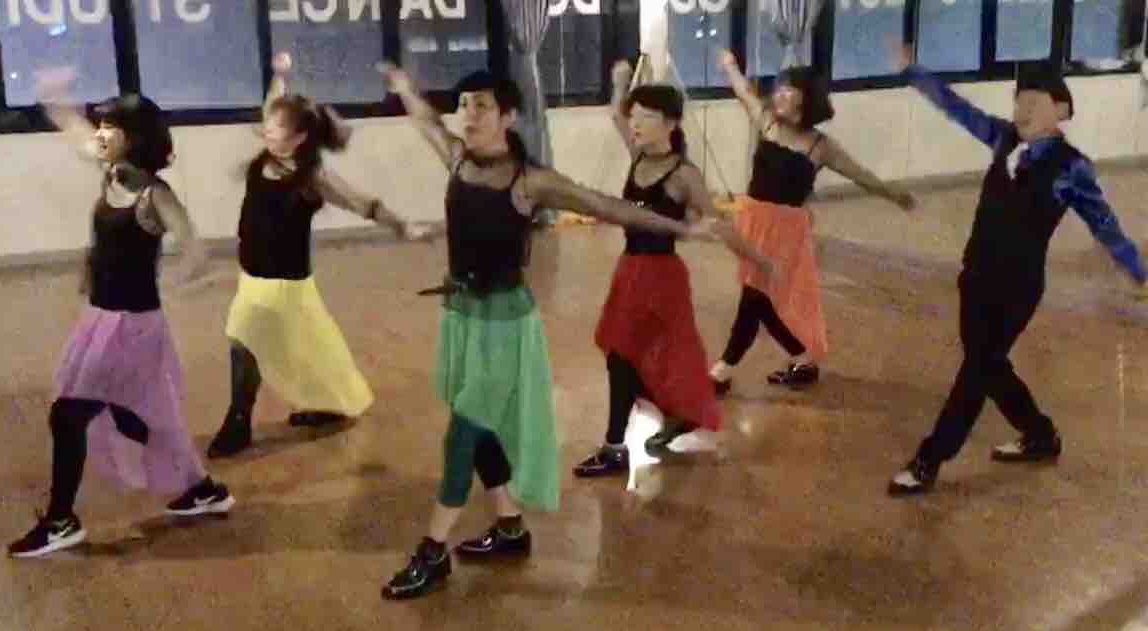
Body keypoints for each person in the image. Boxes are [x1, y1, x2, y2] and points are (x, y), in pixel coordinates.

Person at [375, 63, 714, 599]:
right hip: (463, 316)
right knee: (478, 426)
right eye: (464, 106)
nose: (469, 115)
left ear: (509, 116)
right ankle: (510, 526)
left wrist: (682, 227)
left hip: (505, 324)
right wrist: (404, 89)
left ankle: (432, 551)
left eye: (482, 106)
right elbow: (426, 122)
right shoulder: (458, 159)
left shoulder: (531, 181)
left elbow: (609, 206)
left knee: (462, 433)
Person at [886, 45, 1148, 495]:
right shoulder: (1002, 137)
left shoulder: (1072, 167)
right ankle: (1040, 434)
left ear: (1061, 110)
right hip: (975, 274)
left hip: (1018, 287)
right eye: (1018, 100)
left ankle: (929, 459)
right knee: (988, 366)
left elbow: (1102, 221)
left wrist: (1136, 268)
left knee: (976, 370)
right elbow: (956, 107)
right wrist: (914, 72)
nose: (1022, 108)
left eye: (1034, 101)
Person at [9, 69, 234, 558]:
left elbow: (195, 250)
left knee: (68, 415)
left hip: (132, 326)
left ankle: (60, 520)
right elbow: (77, 134)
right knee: (138, 417)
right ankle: (200, 488)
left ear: (136, 138)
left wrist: (183, 280)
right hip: (100, 319)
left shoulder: (155, 194)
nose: (101, 134)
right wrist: (56, 101)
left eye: (111, 127)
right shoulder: (112, 172)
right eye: (102, 124)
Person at [207, 53, 427, 458]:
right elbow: (271, 105)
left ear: (299, 138)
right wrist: (279, 76)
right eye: (270, 125)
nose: (267, 130)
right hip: (253, 278)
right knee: (255, 341)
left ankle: (253, 418)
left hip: (288, 285)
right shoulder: (265, 159)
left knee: (289, 347)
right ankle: (248, 417)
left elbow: (364, 203)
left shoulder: (312, 178)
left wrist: (403, 226)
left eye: (277, 127)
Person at [575, 60, 777, 477]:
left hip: (660, 277)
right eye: (634, 117)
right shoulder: (638, 156)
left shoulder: (684, 174)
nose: (634, 125)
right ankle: (673, 413)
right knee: (626, 356)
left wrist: (759, 260)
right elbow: (615, 114)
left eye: (645, 118)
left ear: (670, 123)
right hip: (630, 269)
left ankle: (615, 446)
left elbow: (718, 225)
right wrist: (618, 83)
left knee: (623, 355)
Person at [708, 50, 916, 394]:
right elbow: (743, 90)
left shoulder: (820, 146)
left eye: (787, 89)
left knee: (754, 297)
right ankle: (802, 359)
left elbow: (861, 175)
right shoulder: (768, 123)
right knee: (763, 299)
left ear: (806, 98)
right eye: (778, 87)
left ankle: (721, 373)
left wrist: (894, 194)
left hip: (785, 232)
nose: (778, 94)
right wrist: (730, 65)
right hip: (753, 222)